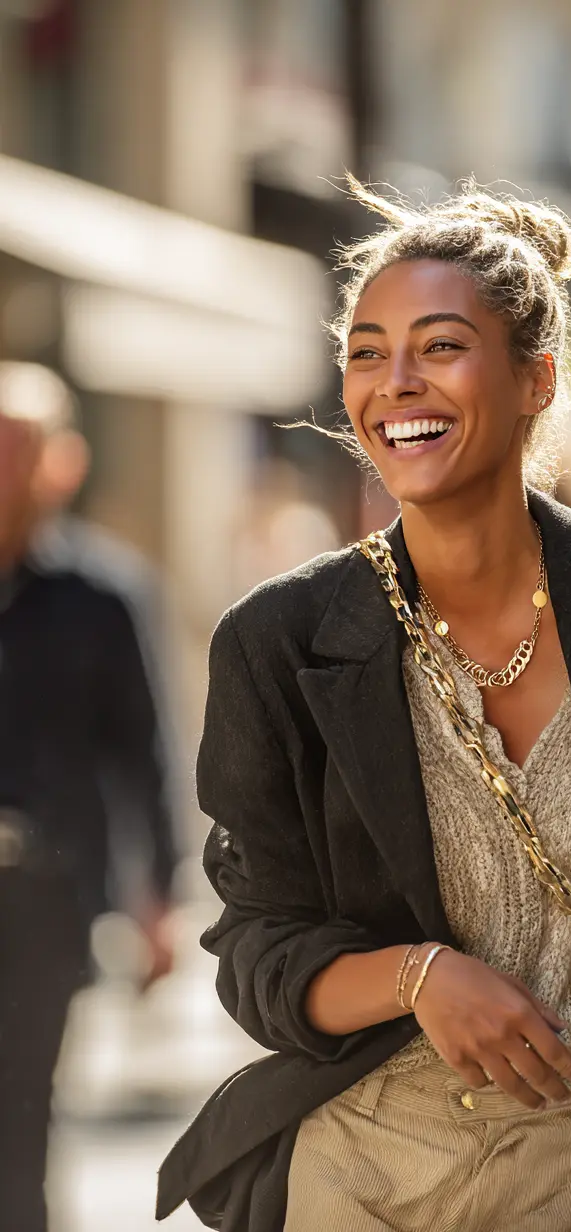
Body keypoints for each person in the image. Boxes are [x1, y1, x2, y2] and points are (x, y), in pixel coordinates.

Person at [158, 180, 571, 1232]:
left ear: (536, 378)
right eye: (366, 351)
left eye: (440, 346)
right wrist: (418, 977)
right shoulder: (276, 640)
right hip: (372, 1172)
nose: (393, 382)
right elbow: (258, 953)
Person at [0, 363, 178, 1232]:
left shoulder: (104, 595)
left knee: (23, 1113)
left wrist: (161, 901)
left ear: (60, 463)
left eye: (18, 450)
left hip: (49, 900)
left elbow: (145, 752)